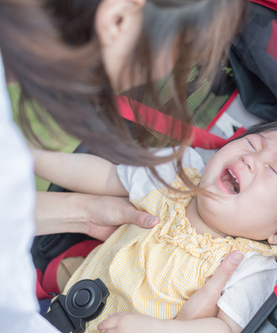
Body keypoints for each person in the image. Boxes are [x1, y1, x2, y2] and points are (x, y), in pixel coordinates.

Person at [0, 0, 246, 332]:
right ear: (118, 18)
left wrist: (84, 210)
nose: (164, 75)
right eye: (179, 54)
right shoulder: (179, 176)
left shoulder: (249, 260)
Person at [31, 121, 277, 333]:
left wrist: (159, 329)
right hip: (58, 312)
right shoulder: (177, 173)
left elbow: (223, 329)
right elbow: (105, 176)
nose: (251, 158)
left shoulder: (253, 267)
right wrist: (29, 157)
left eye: (273, 170)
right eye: (251, 143)